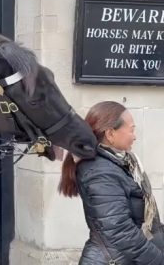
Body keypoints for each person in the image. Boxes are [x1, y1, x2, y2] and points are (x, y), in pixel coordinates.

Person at [58, 101, 164, 264]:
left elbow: (144, 222)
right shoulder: (99, 172)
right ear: (110, 134)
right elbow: (120, 231)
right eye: (131, 129)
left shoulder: (120, 163)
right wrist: (158, 260)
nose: (134, 136)